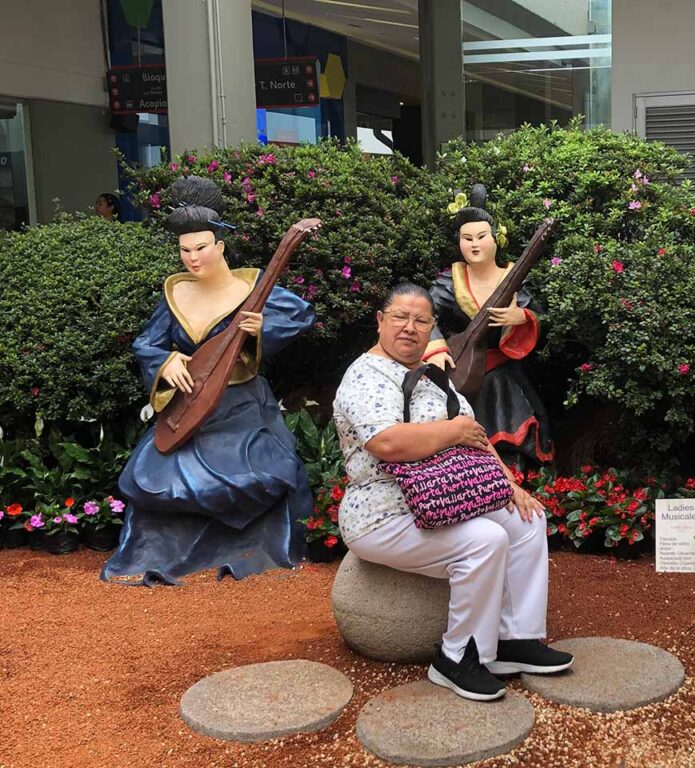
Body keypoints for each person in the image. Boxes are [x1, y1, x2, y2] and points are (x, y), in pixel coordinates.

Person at [333, 283, 572, 701]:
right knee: (486, 539)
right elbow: (386, 442)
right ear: (380, 321)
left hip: (444, 499)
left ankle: (513, 640)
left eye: (421, 320)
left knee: (527, 521)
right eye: (400, 318)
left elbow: (476, 437)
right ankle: (457, 658)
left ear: (431, 329)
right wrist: (453, 431)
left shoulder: (433, 378)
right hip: (383, 514)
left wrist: (509, 486)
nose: (410, 328)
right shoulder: (364, 375)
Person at [101, 176, 315, 586]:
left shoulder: (249, 287)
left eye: (201, 248)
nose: (193, 259)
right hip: (189, 406)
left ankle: (248, 545)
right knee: (156, 475)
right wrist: (166, 363)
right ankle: (163, 550)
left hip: (242, 406)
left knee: (257, 474)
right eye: (184, 250)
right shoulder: (175, 294)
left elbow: (301, 315)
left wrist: (258, 330)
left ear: (220, 246)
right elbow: (148, 342)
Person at [423, 184, 553, 471]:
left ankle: (521, 480)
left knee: (520, 425)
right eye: (466, 238)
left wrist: (523, 318)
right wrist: (436, 348)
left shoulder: (513, 278)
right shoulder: (450, 280)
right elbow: (424, 314)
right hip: (464, 372)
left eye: (481, 236)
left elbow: (542, 316)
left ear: (496, 239)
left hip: (506, 372)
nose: (474, 244)